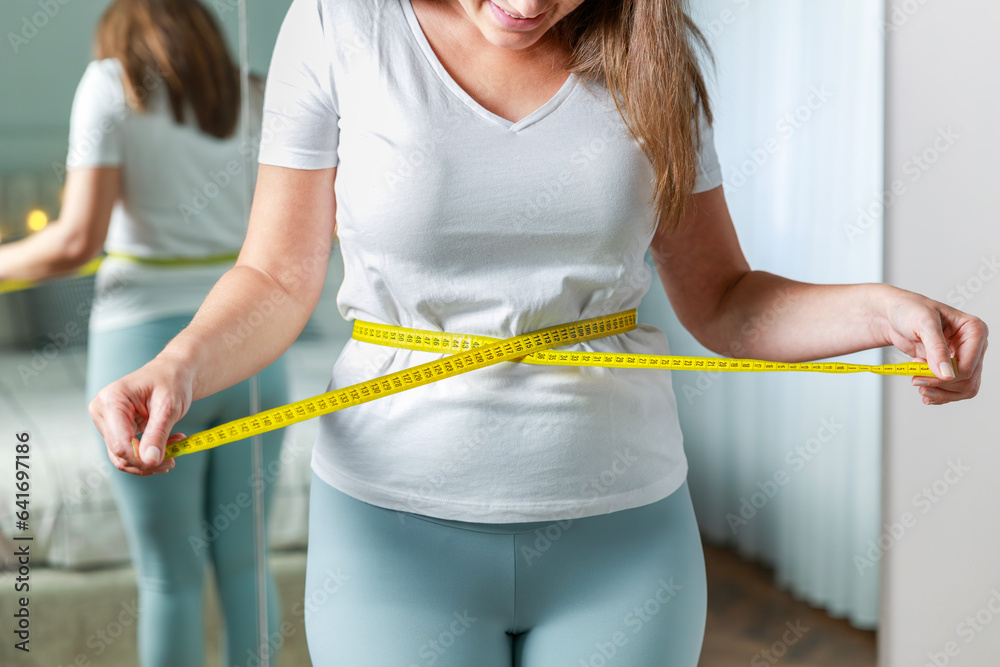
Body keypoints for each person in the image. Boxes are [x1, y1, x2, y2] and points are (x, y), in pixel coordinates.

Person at [87, 0, 989, 665]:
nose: (527, 6)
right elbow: (279, 278)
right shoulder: (336, 24)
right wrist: (177, 364)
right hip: (395, 531)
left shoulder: (653, 45)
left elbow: (724, 298)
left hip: (624, 534)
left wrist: (884, 311)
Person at [0, 1, 289, 665]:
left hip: (143, 354)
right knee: (248, 565)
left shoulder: (110, 86)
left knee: (168, 574)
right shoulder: (257, 92)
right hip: (251, 348)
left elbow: (73, 243)